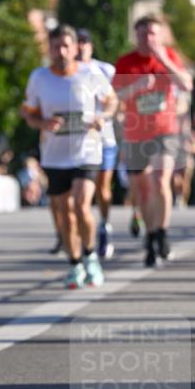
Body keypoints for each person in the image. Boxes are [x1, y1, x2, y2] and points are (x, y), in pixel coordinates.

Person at [21, 24, 117, 289]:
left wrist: (103, 117)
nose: (61, 52)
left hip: (86, 150)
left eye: (66, 46)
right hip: (54, 155)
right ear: (49, 49)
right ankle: (75, 263)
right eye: (55, 47)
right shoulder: (39, 77)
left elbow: (111, 100)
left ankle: (91, 257)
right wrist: (41, 124)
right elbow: (28, 112)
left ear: (75, 48)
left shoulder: (90, 73)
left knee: (81, 204)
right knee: (63, 213)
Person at [114, 16, 192, 267]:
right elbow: (114, 99)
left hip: (165, 130)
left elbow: (187, 84)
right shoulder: (126, 62)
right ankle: (150, 235)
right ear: (135, 36)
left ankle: (163, 232)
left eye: (153, 34)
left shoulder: (168, 56)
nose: (148, 39)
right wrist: (134, 88)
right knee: (143, 188)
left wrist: (164, 59)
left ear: (160, 36)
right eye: (143, 34)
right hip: (136, 134)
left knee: (160, 180)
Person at [76, 29, 117, 259]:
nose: (81, 47)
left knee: (103, 186)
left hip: (105, 137)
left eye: (85, 43)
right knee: (82, 192)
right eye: (78, 43)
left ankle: (104, 224)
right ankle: (81, 230)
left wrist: (102, 114)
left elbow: (113, 100)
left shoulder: (104, 70)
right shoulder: (68, 72)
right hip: (81, 141)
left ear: (91, 46)